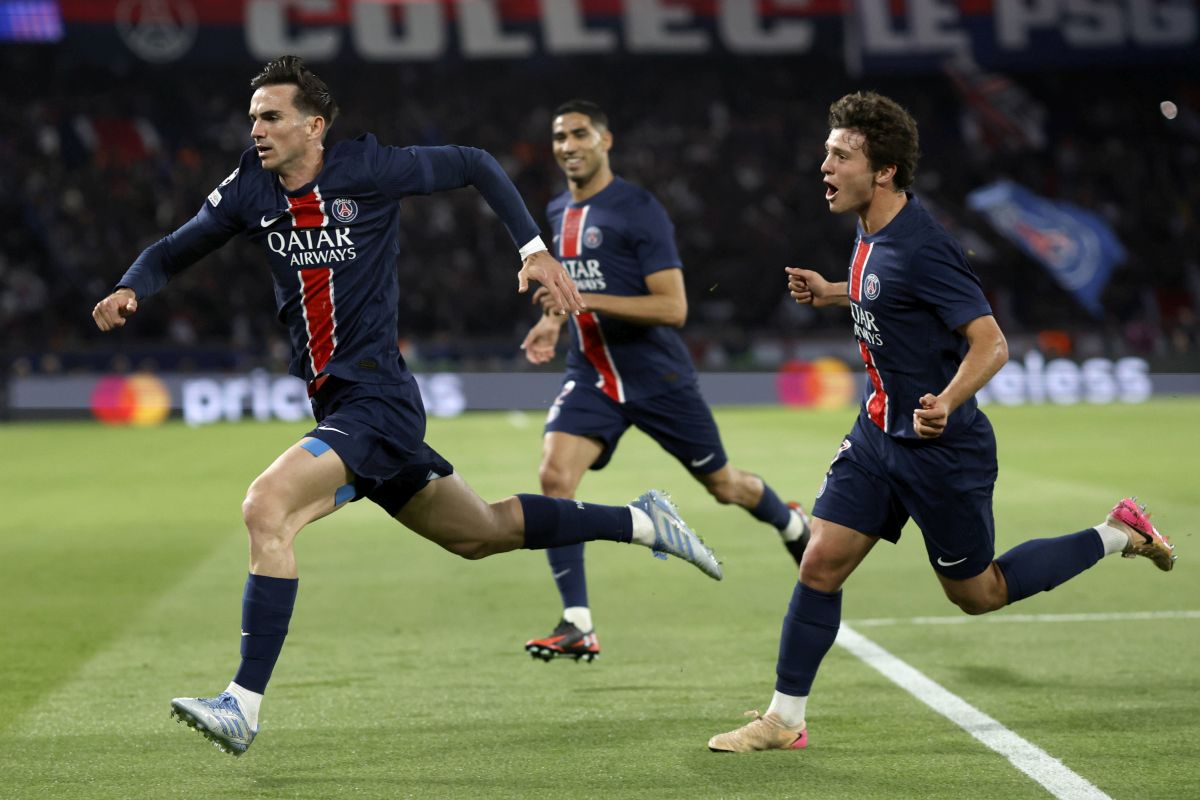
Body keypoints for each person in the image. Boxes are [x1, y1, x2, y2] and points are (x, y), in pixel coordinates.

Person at [91, 56, 723, 758]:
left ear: (314, 126)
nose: (257, 130)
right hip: (342, 403)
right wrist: (130, 287)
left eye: (271, 117)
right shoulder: (249, 189)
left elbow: (476, 163)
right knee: (480, 532)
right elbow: (173, 249)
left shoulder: (368, 169)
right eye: (253, 119)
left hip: (377, 399)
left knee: (266, 506)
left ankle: (242, 703)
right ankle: (643, 521)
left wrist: (533, 250)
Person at [706, 90, 1176, 753]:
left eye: (841, 156)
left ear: (885, 171)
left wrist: (947, 401)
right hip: (877, 435)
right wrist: (834, 292)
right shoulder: (869, 228)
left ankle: (1117, 533)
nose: (825, 166)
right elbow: (887, 294)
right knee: (819, 564)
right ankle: (784, 720)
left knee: (978, 594)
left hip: (942, 450)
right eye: (827, 153)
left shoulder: (926, 246)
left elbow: (991, 343)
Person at [518, 100, 811, 663]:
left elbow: (673, 307)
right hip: (594, 375)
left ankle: (790, 520)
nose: (568, 146)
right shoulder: (557, 209)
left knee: (725, 486)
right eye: (559, 137)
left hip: (657, 376)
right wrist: (552, 321)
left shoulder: (638, 208)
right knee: (554, 476)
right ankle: (578, 622)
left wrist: (584, 299)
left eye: (579, 134)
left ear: (606, 140)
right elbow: (568, 286)